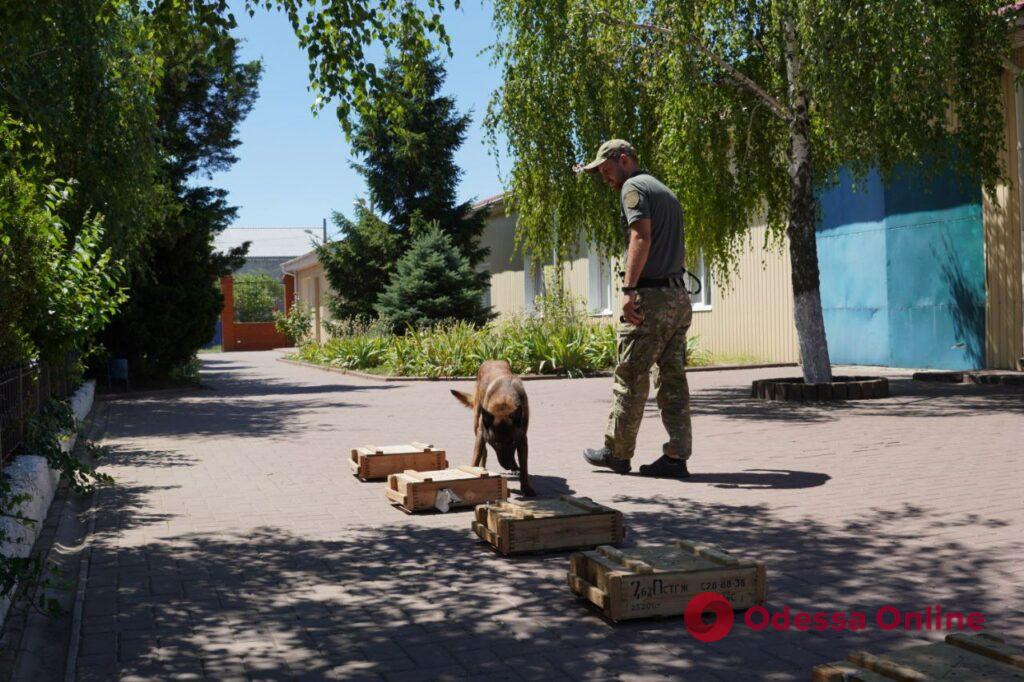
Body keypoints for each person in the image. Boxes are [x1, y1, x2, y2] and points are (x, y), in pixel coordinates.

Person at [580, 139, 693, 478]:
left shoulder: (633, 187)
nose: (605, 178)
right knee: (672, 379)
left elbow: (640, 237)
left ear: (624, 160)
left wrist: (629, 290)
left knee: (630, 374)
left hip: (652, 298)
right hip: (677, 297)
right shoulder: (665, 192)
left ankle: (617, 453)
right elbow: (679, 248)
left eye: (606, 169)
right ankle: (677, 456)